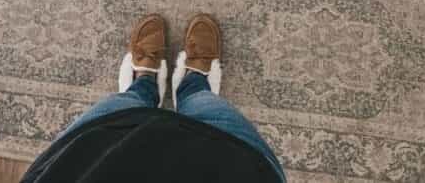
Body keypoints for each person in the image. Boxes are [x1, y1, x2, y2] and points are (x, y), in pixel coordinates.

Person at [21, 13, 285, 183]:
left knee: (121, 111)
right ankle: (194, 84)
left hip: (91, 161)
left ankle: (144, 84)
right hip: (229, 165)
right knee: (209, 110)